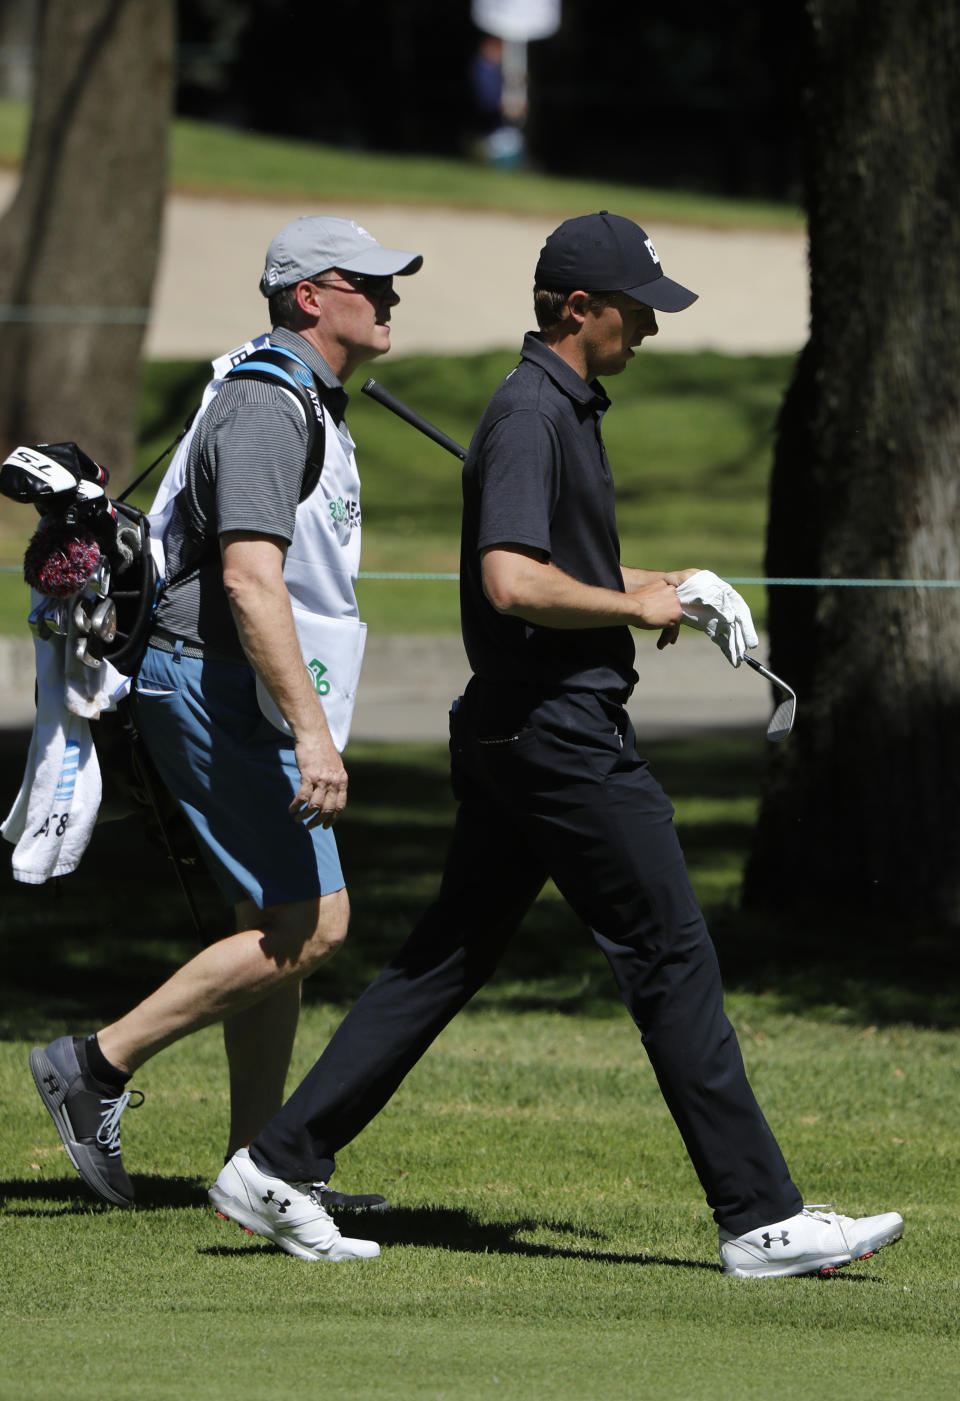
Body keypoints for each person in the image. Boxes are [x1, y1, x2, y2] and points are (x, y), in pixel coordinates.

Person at [208, 211, 904, 1277]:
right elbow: (511, 582)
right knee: (671, 953)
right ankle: (761, 1216)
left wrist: (664, 588)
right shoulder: (534, 412)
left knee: (445, 958)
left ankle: (276, 1163)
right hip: (556, 733)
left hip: (520, 726)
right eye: (636, 313)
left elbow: (548, 568)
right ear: (578, 309)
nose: (651, 333)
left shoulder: (562, 407)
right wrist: (631, 611)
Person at [29, 216, 422, 1255]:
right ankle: (94, 1066)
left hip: (220, 686)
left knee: (275, 925)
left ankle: (263, 1167)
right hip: (214, 687)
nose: (389, 298)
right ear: (308, 298)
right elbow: (249, 580)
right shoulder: (265, 405)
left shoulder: (295, 399)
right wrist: (313, 734)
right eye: (368, 283)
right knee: (315, 924)